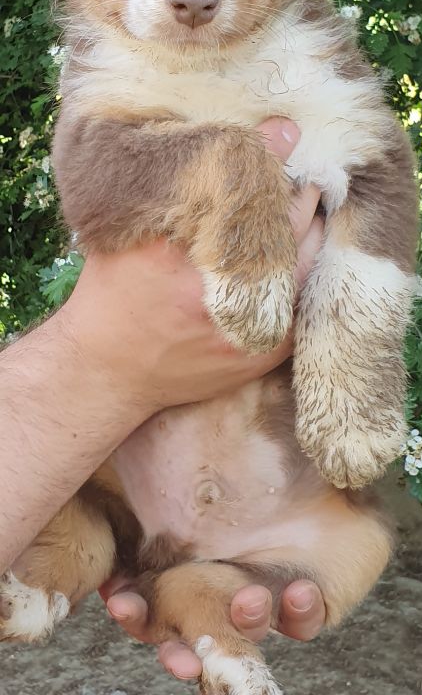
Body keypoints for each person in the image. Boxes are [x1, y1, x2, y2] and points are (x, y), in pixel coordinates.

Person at [0, 119, 326, 680]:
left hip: (280, 496)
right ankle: (75, 565)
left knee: (347, 543)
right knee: (85, 524)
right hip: (127, 479)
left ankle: (200, 607)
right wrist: (108, 359)